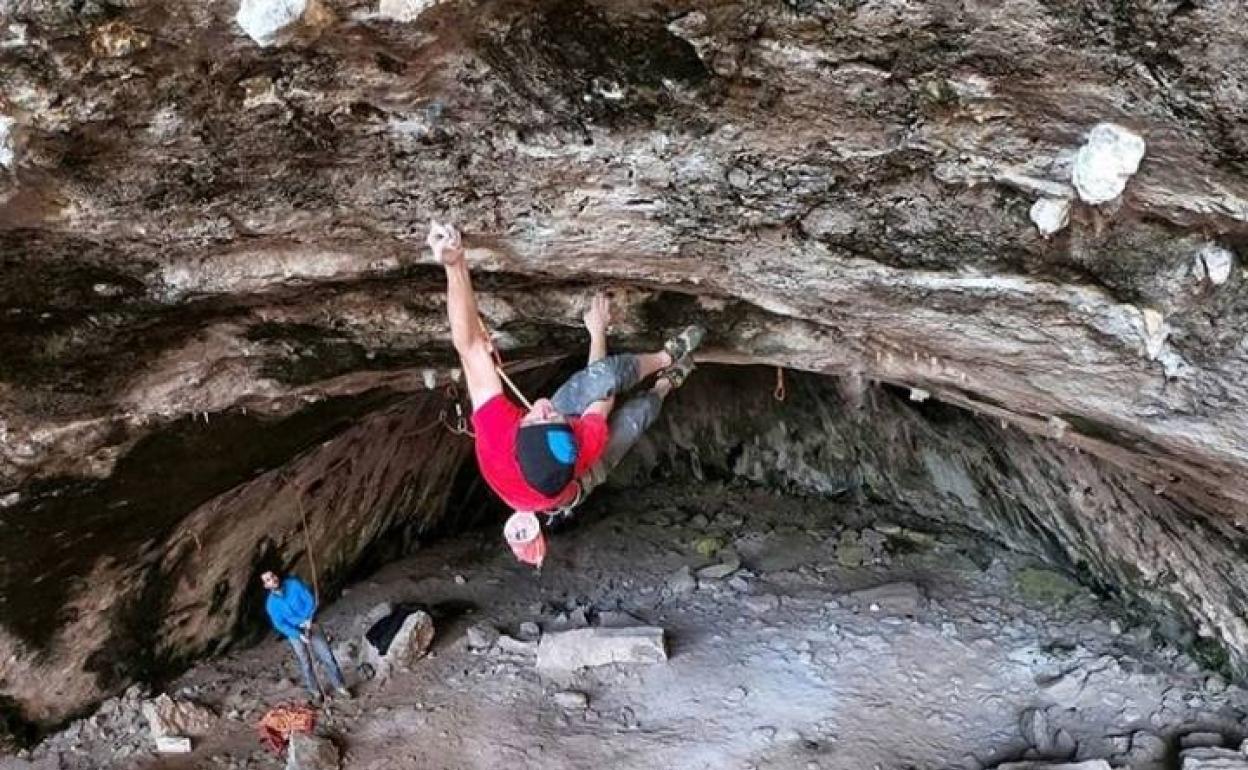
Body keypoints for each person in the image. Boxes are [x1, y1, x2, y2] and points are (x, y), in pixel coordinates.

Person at [428, 221, 704, 566]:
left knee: (605, 375)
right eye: (552, 415)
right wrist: (599, 336)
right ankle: (667, 383)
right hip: (577, 482)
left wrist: (454, 265)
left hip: (534, 459)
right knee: (635, 418)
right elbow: (601, 402)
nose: (544, 406)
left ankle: (667, 356)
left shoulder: (498, 437)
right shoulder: (583, 449)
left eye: (543, 416)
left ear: (521, 431)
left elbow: (468, 347)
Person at [260, 570, 351, 704]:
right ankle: (315, 691)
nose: (272, 580)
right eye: (268, 580)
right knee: (305, 662)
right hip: (294, 632)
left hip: (310, 622)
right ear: (266, 586)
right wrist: (299, 634)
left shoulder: (293, 585)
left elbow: (310, 600)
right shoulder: (271, 604)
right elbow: (280, 624)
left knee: (327, 656)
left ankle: (340, 686)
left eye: (273, 576)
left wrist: (308, 618)